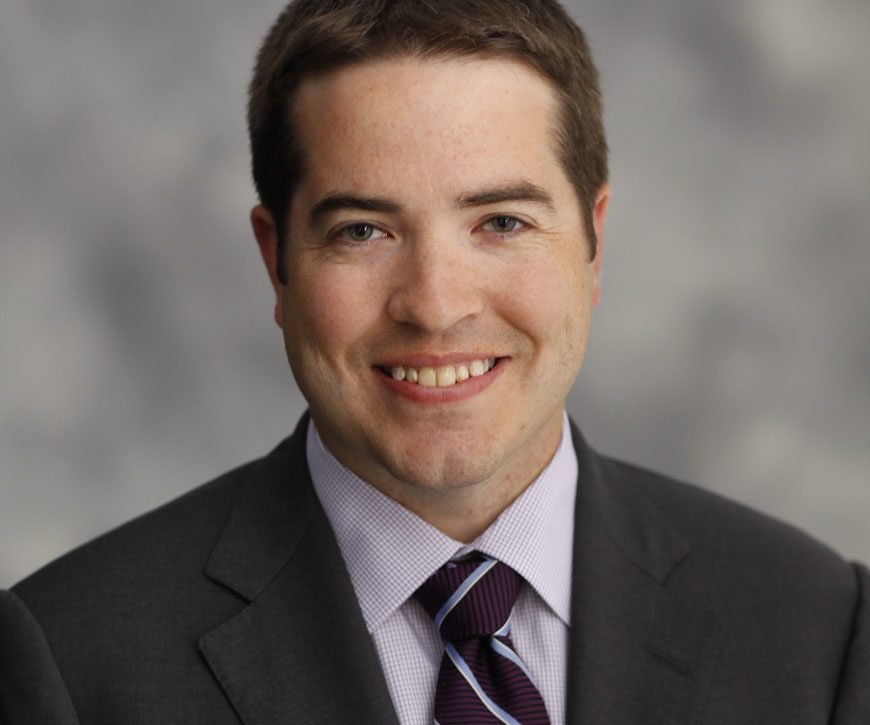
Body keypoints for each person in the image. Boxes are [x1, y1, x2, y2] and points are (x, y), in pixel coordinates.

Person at [1, 0, 867, 722]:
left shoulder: (821, 634)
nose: (436, 303)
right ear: (277, 262)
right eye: (362, 231)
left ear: (594, 244)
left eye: (502, 222)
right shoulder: (71, 662)